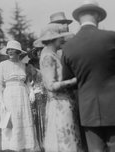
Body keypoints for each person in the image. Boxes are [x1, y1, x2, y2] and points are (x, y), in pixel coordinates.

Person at [62, 0, 115, 152]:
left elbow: (68, 79)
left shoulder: (68, 46)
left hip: (88, 107)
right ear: (98, 17)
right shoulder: (111, 37)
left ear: (78, 18)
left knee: (95, 149)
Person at [38, 23, 84, 152]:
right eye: (60, 38)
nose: (62, 40)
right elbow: (51, 85)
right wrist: (73, 81)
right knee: (64, 139)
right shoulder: (48, 56)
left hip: (64, 102)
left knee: (68, 138)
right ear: (52, 39)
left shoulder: (52, 54)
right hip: (60, 104)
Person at [0, 40, 37, 151]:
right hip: (9, 96)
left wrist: (31, 91)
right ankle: (13, 147)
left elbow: (27, 82)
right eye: (8, 50)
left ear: (18, 52)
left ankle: (23, 146)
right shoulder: (3, 65)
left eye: (12, 49)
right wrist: (2, 102)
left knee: (23, 120)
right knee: (12, 121)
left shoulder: (24, 65)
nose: (9, 51)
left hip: (23, 96)